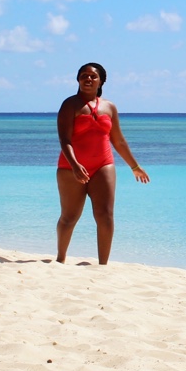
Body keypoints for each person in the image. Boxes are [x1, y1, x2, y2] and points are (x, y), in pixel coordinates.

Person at [56, 62, 149, 264]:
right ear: (78, 80)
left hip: (103, 164)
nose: (88, 79)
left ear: (101, 81)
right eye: (83, 76)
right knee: (70, 217)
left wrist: (134, 166)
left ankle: (103, 265)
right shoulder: (69, 105)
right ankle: (60, 259)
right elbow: (65, 139)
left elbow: (118, 140)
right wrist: (74, 164)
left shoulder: (109, 107)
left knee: (105, 215)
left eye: (93, 76)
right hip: (70, 167)